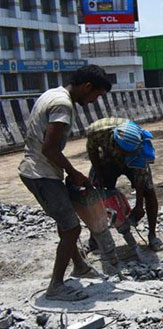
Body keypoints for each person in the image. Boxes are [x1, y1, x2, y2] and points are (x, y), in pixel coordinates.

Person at [18, 65, 112, 301]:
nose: (93, 101)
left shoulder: (53, 93)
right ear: (87, 87)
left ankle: (79, 266)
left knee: (66, 219)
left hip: (40, 170)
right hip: (41, 173)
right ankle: (56, 287)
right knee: (72, 228)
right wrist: (73, 171)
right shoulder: (63, 104)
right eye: (95, 95)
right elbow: (48, 148)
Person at [86, 118, 163, 252]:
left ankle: (152, 236)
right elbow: (92, 150)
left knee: (149, 192)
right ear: (115, 143)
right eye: (124, 151)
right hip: (106, 159)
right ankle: (94, 239)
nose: (126, 154)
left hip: (133, 163)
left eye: (129, 152)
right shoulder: (98, 131)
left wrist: (139, 205)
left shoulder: (140, 148)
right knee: (95, 195)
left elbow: (140, 176)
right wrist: (99, 176)